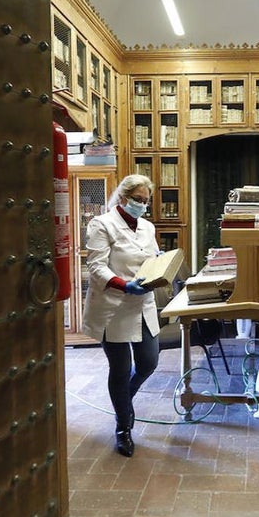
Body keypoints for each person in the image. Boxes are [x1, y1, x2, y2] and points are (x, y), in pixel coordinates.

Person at [81, 174, 160, 457]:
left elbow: (151, 257)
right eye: (136, 200)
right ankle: (123, 428)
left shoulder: (148, 227)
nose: (141, 205)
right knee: (120, 368)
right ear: (123, 197)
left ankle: (124, 399)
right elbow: (96, 266)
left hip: (143, 305)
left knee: (149, 362)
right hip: (113, 306)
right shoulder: (101, 224)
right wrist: (124, 285)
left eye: (145, 201)